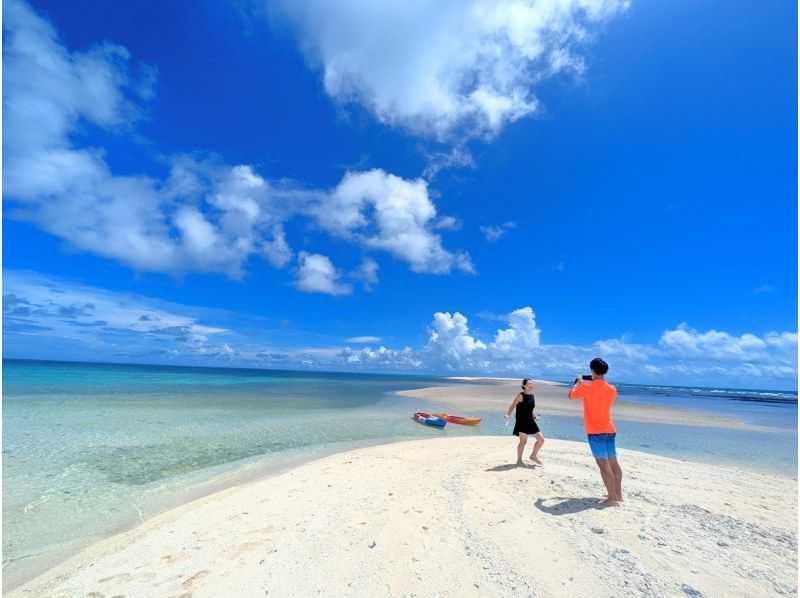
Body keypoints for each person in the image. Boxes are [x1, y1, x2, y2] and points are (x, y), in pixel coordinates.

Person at [568, 358, 622, 506]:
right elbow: (600, 392)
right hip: (610, 429)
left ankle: (612, 498)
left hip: (596, 431)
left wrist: (577, 384)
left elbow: (571, 395)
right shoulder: (612, 389)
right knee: (613, 463)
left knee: (603, 465)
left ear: (592, 370)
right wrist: (594, 379)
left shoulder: (587, 387)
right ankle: (618, 494)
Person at [504, 378, 545, 466]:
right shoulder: (520, 395)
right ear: (524, 386)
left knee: (541, 440)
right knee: (523, 442)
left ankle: (533, 456)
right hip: (521, 421)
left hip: (531, 421)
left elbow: (530, 410)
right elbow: (512, 405)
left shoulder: (532, 396)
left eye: (532, 384)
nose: (531, 386)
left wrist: (535, 417)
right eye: (529, 384)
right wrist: (508, 415)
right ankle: (519, 460)